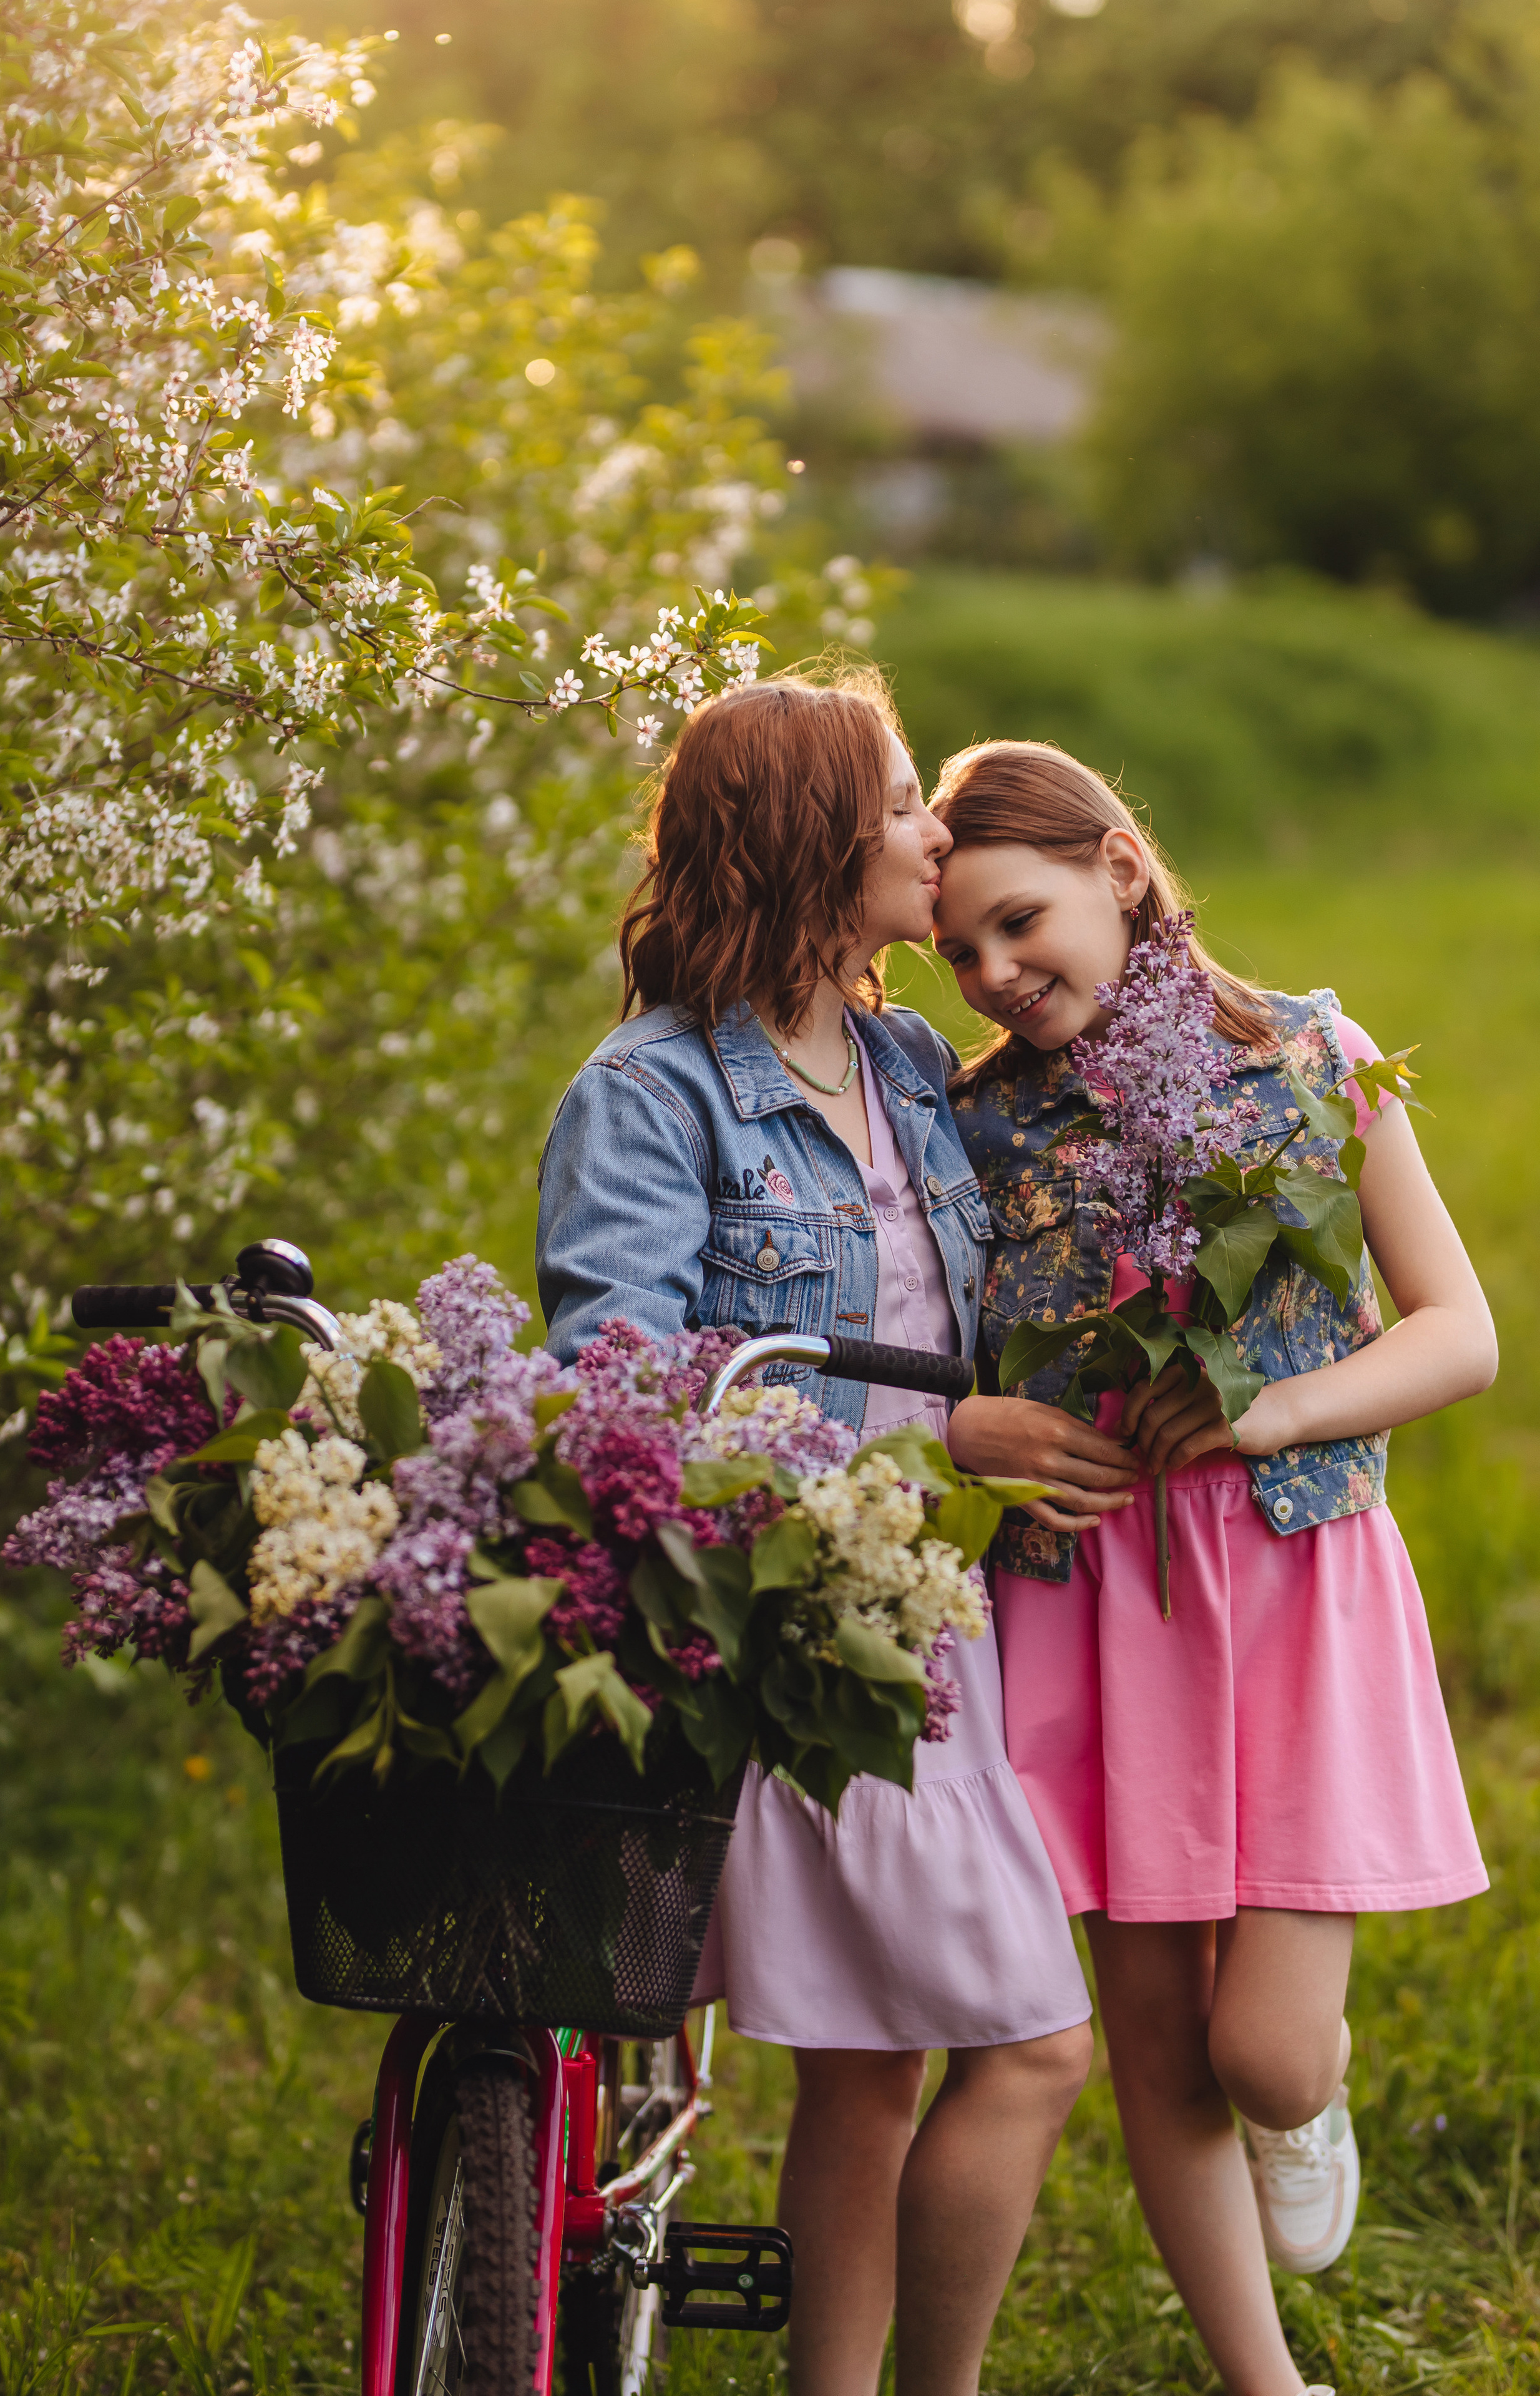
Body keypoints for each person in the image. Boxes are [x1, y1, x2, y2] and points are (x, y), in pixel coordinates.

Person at [535, 673, 1093, 2396]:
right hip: (802, 1635)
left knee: (868, 2068)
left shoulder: (906, 1055)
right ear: (808, 840)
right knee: (1036, 2050)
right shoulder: (647, 1098)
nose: (935, 830)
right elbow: (622, 1407)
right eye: (908, 799)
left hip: (939, 1624)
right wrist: (937, 1449)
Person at [929, 738, 1493, 2396]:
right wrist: (1000, 1430)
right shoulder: (975, 1124)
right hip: (1094, 1600)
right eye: (958, 951)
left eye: (1019, 923)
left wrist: (1272, 1411)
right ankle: (1273, 2385)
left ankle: (1309, 2100)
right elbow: (937, 1351)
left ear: (1121, 866)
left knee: (1258, 2054)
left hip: (1294, 1575)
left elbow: (1462, 1335)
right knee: (1162, 2041)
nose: (995, 973)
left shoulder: (1318, 1054)